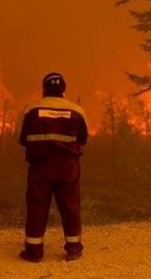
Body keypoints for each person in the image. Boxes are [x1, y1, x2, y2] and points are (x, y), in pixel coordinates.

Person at [18, 72, 88, 263]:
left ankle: (34, 252)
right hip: (69, 167)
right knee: (70, 206)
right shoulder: (77, 110)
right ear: (63, 90)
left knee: (37, 206)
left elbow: (22, 138)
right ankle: (73, 249)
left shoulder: (32, 110)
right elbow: (83, 139)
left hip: (41, 167)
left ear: (44, 89)